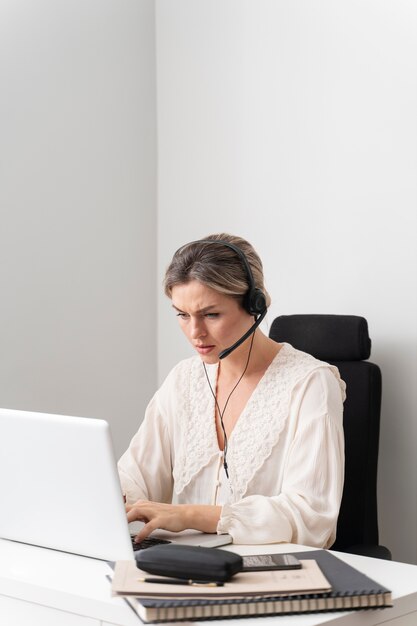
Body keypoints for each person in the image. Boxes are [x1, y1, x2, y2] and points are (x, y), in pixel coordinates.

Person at [118, 233, 345, 548]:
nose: (195, 332)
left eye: (211, 314)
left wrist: (192, 516)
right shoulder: (184, 379)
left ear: (256, 305)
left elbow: (312, 516)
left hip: (263, 570)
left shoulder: (310, 383)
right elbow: (136, 477)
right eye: (182, 315)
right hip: (178, 563)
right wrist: (112, 494)